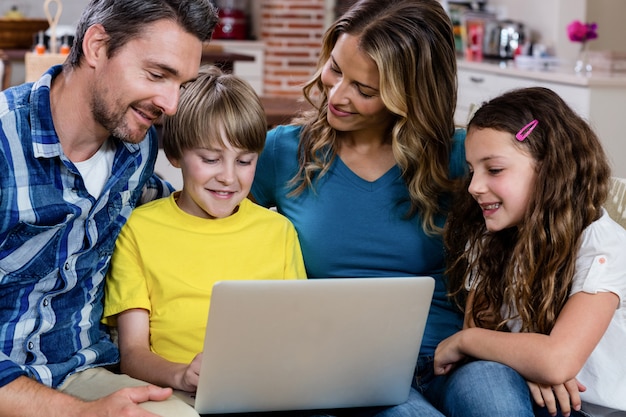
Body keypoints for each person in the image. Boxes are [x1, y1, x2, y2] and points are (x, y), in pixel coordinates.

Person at [0, 0, 218, 416]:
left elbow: (167, 206)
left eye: (182, 85)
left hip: (85, 372)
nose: (170, 104)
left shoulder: (137, 148)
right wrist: (78, 414)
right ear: (98, 46)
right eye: (157, 74)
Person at [251, 0, 465, 415]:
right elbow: (210, 230)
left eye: (364, 90)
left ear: (411, 96)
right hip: (346, 364)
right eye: (335, 68)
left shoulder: (463, 159)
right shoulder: (283, 152)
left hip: (453, 355)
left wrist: (550, 348)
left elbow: (559, 225)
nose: (336, 94)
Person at [102, 65, 306, 401]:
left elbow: (299, 335)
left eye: (244, 161)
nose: (228, 177)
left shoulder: (278, 232)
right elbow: (133, 355)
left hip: (265, 394)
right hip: (176, 393)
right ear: (176, 155)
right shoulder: (139, 229)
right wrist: (182, 375)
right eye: (211, 159)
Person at [433, 87, 626, 417]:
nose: (474, 186)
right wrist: (527, 363)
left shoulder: (603, 246)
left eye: (493, 170)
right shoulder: (491, 236)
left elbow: (556, 360)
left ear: (550, 170)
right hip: (537, 398)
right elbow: (486, 331)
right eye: (471, 170)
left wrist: (463, 341)